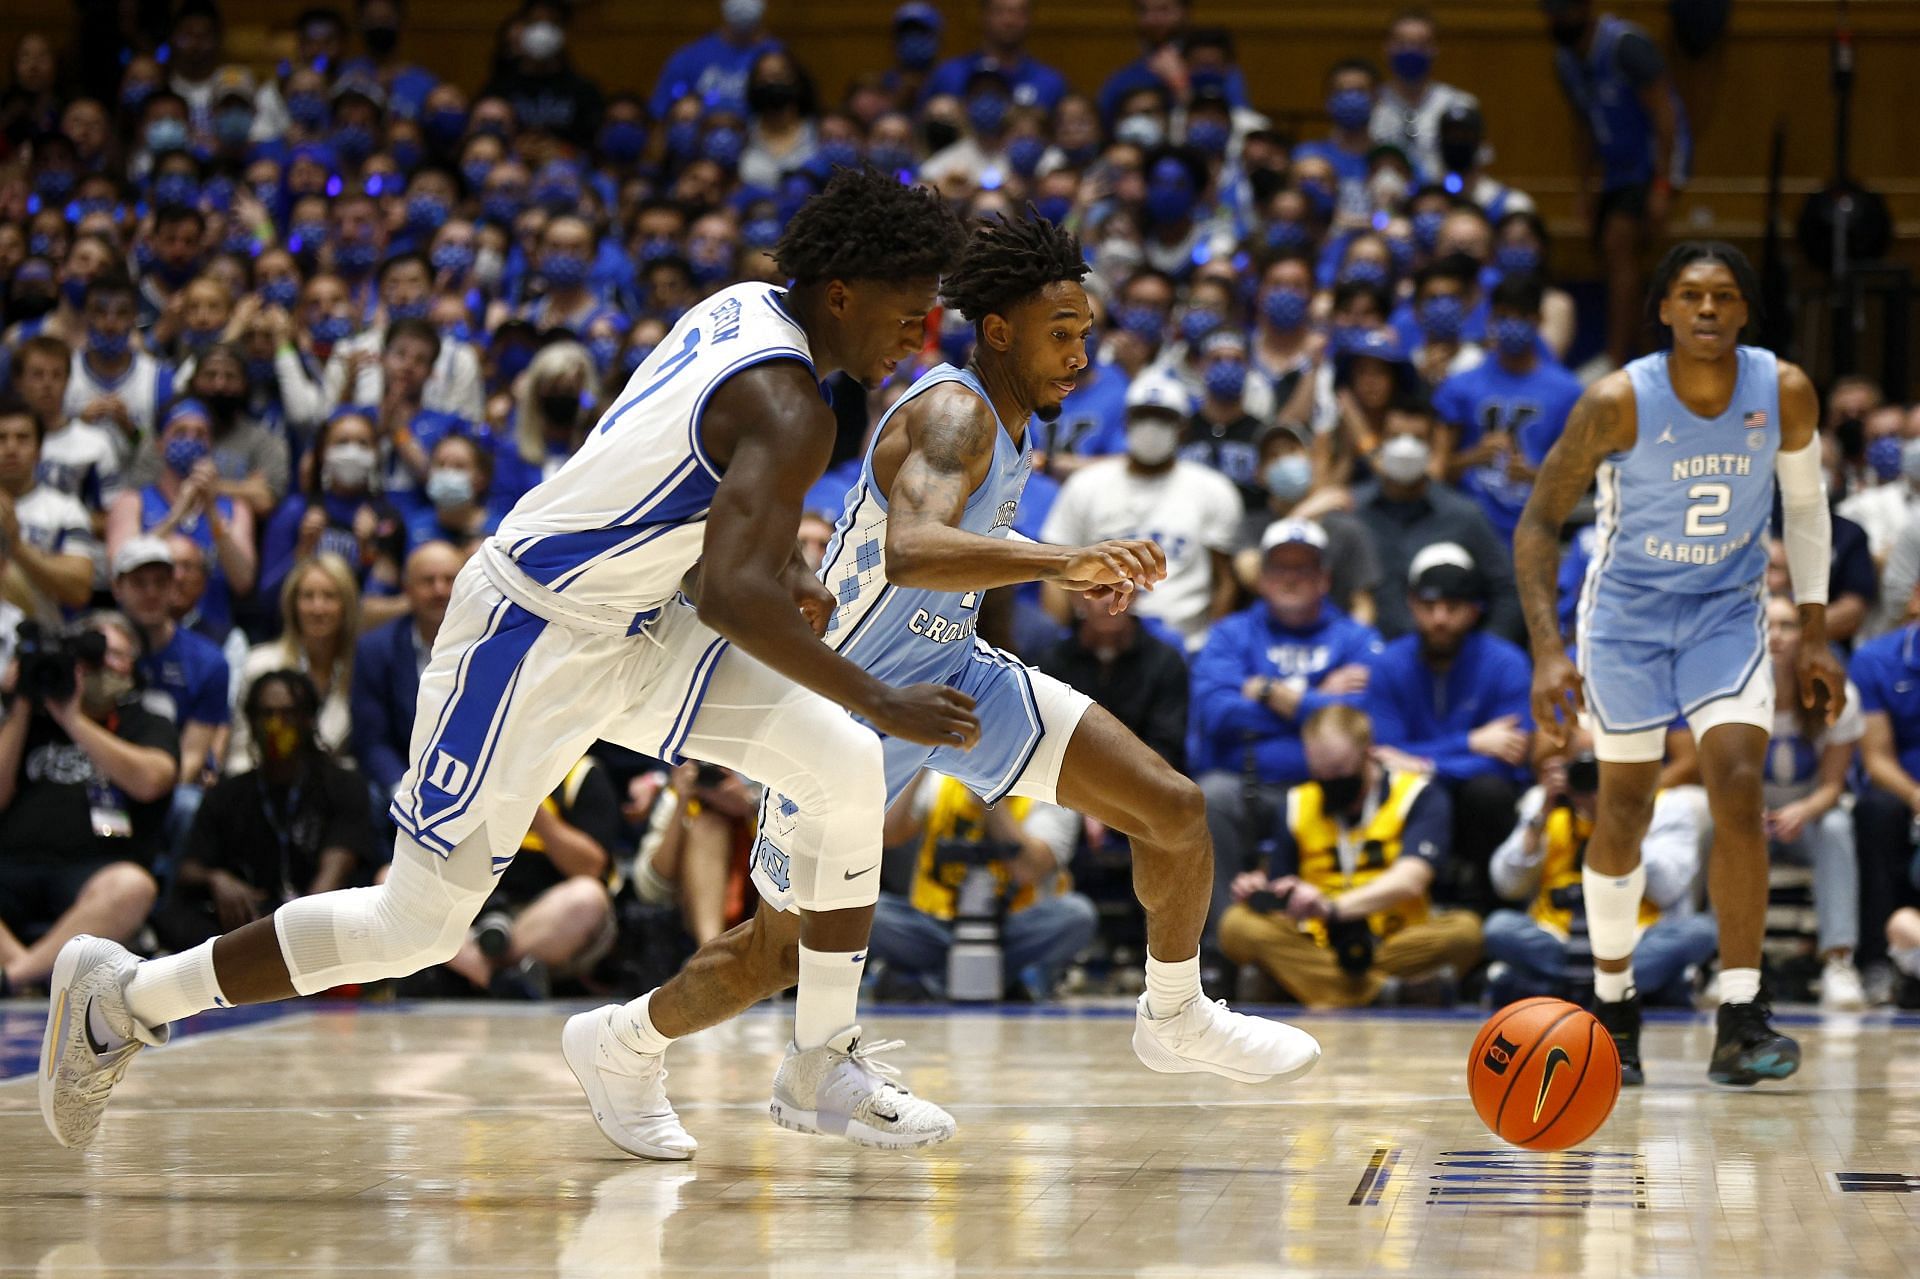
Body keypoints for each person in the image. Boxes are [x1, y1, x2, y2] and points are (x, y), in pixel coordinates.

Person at [41, 168, 981, 1155]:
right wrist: (878, 690)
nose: (915, 340)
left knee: (841, 761)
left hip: (634, 623)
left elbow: (683, 474)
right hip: (530, 635)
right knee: (416, 927)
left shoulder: (744, 307)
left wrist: (783, 560)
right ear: (843, 293)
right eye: (909, 314)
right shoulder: (794, 408)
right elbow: (729, 593)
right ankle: (126, 999)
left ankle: (807, 1058)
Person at [574, 211, 1321, 1163]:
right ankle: (622, 1040)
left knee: (1171, 808)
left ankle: (1174, 1013)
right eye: (1063, 333)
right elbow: (916, 550)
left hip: (957, 677)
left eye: (1087, 333)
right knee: (767, 956)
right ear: (998, 330)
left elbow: (952, 572)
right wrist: (1064, 559)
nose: (1081, 355)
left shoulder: (1009, 421)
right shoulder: (956, 410)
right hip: (843, 709)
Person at [1515, 242, 1841, 1086]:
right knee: (1623, 805)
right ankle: (1614, 1005)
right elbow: (1540, 521)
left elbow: (1805, 513)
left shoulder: (1786, 390)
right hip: (1624, 618)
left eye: (1724, 295)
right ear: (1662, 307)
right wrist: (1549, 652)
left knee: (1737, 784)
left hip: (1726, 614)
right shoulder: (1618, 399)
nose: (1707, 309)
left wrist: (1813, 630)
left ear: (1743, 311)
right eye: (1691, 294)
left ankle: (1741, 1011)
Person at [1217, 705, 1483, 1008]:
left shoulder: (1417, 795)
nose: (1331, 781)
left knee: (1466, 931)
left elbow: (1412, 879)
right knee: (1236, 925)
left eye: (1340, 772)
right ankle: (1391, 993)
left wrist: (1331, 908)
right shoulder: (1297, 803)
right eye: (1320, 774)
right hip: (1315, 940)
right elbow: (1283, 887)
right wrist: (1262, 890)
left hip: (1395, 937)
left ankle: (1305, 984)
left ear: (1368, 753)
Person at [1191, 519, 1382, 936]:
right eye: (1280, 568)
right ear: (1261, 579)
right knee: (1210, 796)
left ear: (1325, 579)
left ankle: (1343, 933)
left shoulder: (1356, 638)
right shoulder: (1230, 633)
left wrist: (1268, 691)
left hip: (1328, 789)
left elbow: (1367, 717)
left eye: (1304, 569)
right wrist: (1320, 700)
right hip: (1247, 784)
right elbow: (1217, 711)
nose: (1291, 579)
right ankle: (1230, 941)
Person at [1483, 731, 1719, 1023]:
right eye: (1580, 764)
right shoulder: (1546, 802)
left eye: (1600, 765)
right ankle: (1625, 989)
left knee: (1701, 932)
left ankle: (1554, 987)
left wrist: (1618, 820)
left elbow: (1667, 888)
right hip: (1556, 937)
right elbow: (1506, 884)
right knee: (1498, 928)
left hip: (1638, 939)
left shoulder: (1666, 805)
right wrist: (1539, 817)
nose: (1590, 775)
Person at [0, 612, 174, 997]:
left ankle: (12, 978)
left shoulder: (143, 721)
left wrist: (74, 720)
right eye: (93, 655)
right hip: (12, 865)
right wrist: (23, 705)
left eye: (114, 655)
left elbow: (152, 781)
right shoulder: (27, 720)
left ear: (132, 666)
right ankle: (28, 971)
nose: (102, 666)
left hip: (93, 871)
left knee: (133, 886)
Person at [1365, 545, 1533, 909]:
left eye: (1452, 608)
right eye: (1429, 607)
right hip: (1408, 794)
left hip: (1480, 798)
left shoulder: (1507, 663)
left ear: (1474, 611)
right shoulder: (1389, 664)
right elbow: (1383, 752)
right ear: (1412, 605)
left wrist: (1427, 763)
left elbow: (1511, 757)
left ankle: (1496, 913)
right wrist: (1472, 742)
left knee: (1489, 790)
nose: (1440, 619)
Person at [155, 671, 372, 950]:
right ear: (251, 720)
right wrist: (217, 879)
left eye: (287, 714)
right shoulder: (228, 793)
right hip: (248, 918)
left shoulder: (342, 785)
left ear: (308, 719)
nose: (275, 725)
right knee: (175, 918)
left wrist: (291, 929)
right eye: (266, 714)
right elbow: (188, 868)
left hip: (315, 918)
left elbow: (336, 870)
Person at [1041, 370, 1242, 649]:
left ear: (1183, 428)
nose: (1151, 425)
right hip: (1094, 639)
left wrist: (1212, 648)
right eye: (1143, 415)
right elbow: (1054, 573)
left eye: (1163, 417)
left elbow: (1224, 582)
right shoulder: (1085, 485)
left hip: (1185, 644)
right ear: (1126, 423)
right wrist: (1061, 643)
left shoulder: (1214, 489)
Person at [1544, 0, 1690, 371]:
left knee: (1618, 243)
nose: (1561, 18)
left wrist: (1662, 185)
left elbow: (1665, 114)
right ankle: (1648, 353)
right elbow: (1583, 127)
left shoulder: (1627, 46)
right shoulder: (1566, 60)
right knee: (1610, 256)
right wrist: (1585, 188)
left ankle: (1616, 357)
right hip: (1614, 170)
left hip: (1651, 162)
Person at [871, 770, 1097, 1000]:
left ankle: (931, 984)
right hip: (934, 925)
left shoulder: (1051, 794)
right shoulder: (940, 778)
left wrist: (986, 796)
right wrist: (919, 763)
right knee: (872, 915)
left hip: (1013, 927)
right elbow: (888, 835)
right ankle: (1007, 981)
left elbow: (1027, 869)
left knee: (1077, 915)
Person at [1760, 594, 1866, 1009]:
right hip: (1753, 817)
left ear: (1805, 636)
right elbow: (1722, 778)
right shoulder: (1734, 695)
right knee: (1721, 824)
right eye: (1767, 625)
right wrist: (1750, 812)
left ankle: (1839, 961)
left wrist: (1802, 811)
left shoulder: (1837, 696)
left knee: (1838, 824)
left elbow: (1833, 785)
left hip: (1809, 818)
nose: (1776, 636)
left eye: (1787, 625)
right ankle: (1721, 961)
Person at [1354, 393, 1522, 643]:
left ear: (1433, 447)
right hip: (1368, 663)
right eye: (1395, 437)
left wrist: (1485, 655)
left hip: (1446, 662)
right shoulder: (1353, 510)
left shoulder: (1464, 515)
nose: (1405, 448)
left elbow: (1507, 591)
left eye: (1417, 439)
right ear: (1380, 441)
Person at [1433, 275, 1585, 543]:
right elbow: (1438, 471)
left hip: (1535, 529)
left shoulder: (1568, 392)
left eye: (1522, 317)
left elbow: (1576, 480)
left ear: (1538, 321)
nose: (1512, 325)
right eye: (1504, 316)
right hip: (1468, 530)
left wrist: (1535, 476)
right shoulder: (1459, 386)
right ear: (1491, 321)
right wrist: (1472, 457)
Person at [351, 541, 460, 808]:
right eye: (428, 581)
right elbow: (373, 741)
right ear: (407, 589)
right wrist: (405, 794)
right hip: (402, 787)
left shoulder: (493, 649)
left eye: (450, 580)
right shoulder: (374, 650)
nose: (440, 590)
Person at [227, 555, 360, 771]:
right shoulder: (260, 665)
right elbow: (240, 753)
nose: (318, 608)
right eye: (308, 596)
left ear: (346, 605)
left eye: (329, 597)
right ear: (293, 605)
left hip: (334, 792)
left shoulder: (361, 669)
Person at [1038, 587, 1189, 770]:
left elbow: (1168, 747)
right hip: (1068, 782)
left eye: (1118, 588)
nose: (1108, 600)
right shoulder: (1051, 663)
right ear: (1075, 596)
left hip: (1145, 781)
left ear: (1135, 595)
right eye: (1097, 590)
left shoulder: (1166, 662)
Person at [0, 395, 97, 624]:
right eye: (1, 438)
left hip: (43, 644)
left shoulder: (66, 510)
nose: (11, 448)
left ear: (39, 450)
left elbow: (79, 591)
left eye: (22, 438)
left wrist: (16, 546)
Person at [1369, 8, 1479, 183]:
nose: (1410, 50)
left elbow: (1473, 167)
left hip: (1443, 200)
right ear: (1387, 47)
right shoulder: (1370, 103)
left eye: (1420, 44)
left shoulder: (1460, 104)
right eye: (1402, 42)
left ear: (1434, 49)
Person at [923, 0, 1069, 112]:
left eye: (1018, 12)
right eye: (1000, 11)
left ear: (1030, 18)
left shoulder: (1051, 82)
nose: (1009, 21)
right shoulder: (949, 75)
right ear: (984, 15)